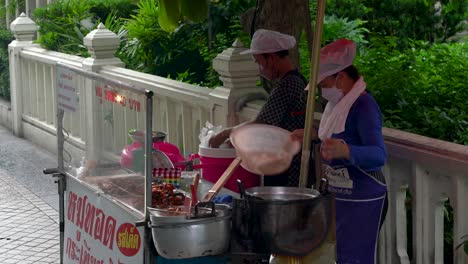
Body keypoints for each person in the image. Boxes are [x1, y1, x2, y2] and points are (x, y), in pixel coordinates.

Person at [291, 39, 388, 264]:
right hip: (341, 195)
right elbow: (333, 137)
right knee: (340, 256)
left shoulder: (364, 106)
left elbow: (379, 155)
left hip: (364, 196)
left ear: (341, 78)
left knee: (356, 258)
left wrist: (347, 151)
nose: (322, 91)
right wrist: (314, 135)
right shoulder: (337, 106)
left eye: (323, 84)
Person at [209, 29, 311, 187]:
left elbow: (262, 123)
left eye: (258, 62)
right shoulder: (296, 80)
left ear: (271, 58)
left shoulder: (288, 84)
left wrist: (225, 133)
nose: (259, 68)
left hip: (288, 167)